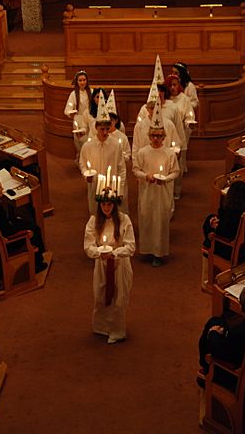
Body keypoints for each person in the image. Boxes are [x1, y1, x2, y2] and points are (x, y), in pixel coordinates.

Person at [84, 187, 135, 344]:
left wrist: (115, 253)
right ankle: (102, 327)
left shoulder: (124, 220)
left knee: (119, 298)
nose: (106, 208)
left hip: (119, 265)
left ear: (114, 205)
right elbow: (88, 246)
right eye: (103, 205)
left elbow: (131, 247)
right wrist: (99, 252)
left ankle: (118, 331)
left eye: (109, 205)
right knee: (101, 295)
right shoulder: (94, 221)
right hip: (102, 265)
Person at [133, 97, 180, 267]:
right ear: (149, 135)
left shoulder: (169, 154)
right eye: (153, 135)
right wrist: (145, 176)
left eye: (159, 136)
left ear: (164, 136)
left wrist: (165, 179)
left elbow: (175, 172)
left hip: (162, 192)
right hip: (147, 191)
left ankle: (159, 253)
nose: (156, 139)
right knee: (146, 218)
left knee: (159, 222)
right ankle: (146, 249)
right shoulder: (143, 152)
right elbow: (135, 169)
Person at [0, 177, 47, 273]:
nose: (2, 189)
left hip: (0, 233)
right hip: (9, 239)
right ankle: (38, 263)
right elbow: (8, 230)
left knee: (26, 222)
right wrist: (25, 229)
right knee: (34, 229)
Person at [198, 287, 245, 387]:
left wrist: (213, 333)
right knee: (216, 320)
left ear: (241, 306)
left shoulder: (238, 333)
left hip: (234, 374)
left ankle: (206, 368)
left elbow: (218, 351)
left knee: (210, 329)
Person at [79, 90, 126, 215]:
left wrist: (119, 189)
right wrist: (86, 175)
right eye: (101, 129)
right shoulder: (88, 146)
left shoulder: (116, 145)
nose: (105, 132)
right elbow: (83, 163)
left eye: (107, 128)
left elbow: (121, 168)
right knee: (96, 213)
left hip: (112, 186)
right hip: (95, 186)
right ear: (96, 128)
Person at [202, 180, 245, 260]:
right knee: (211, 217)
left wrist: (214, 227)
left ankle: (208, 250)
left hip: (234, 250)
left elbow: (223, 233)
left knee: (208, 225)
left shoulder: (231, 212)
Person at [64, 70, 93, 165]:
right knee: (80, 142)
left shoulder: (91, 91)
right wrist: (70, 113)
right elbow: (68, 109)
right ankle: (81, 160)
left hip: (90, 120)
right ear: (77, 82)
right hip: (79, 119)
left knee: (90, 141)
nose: (82, 82)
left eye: (84, 80)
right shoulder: (73, 94)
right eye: (80, 80)